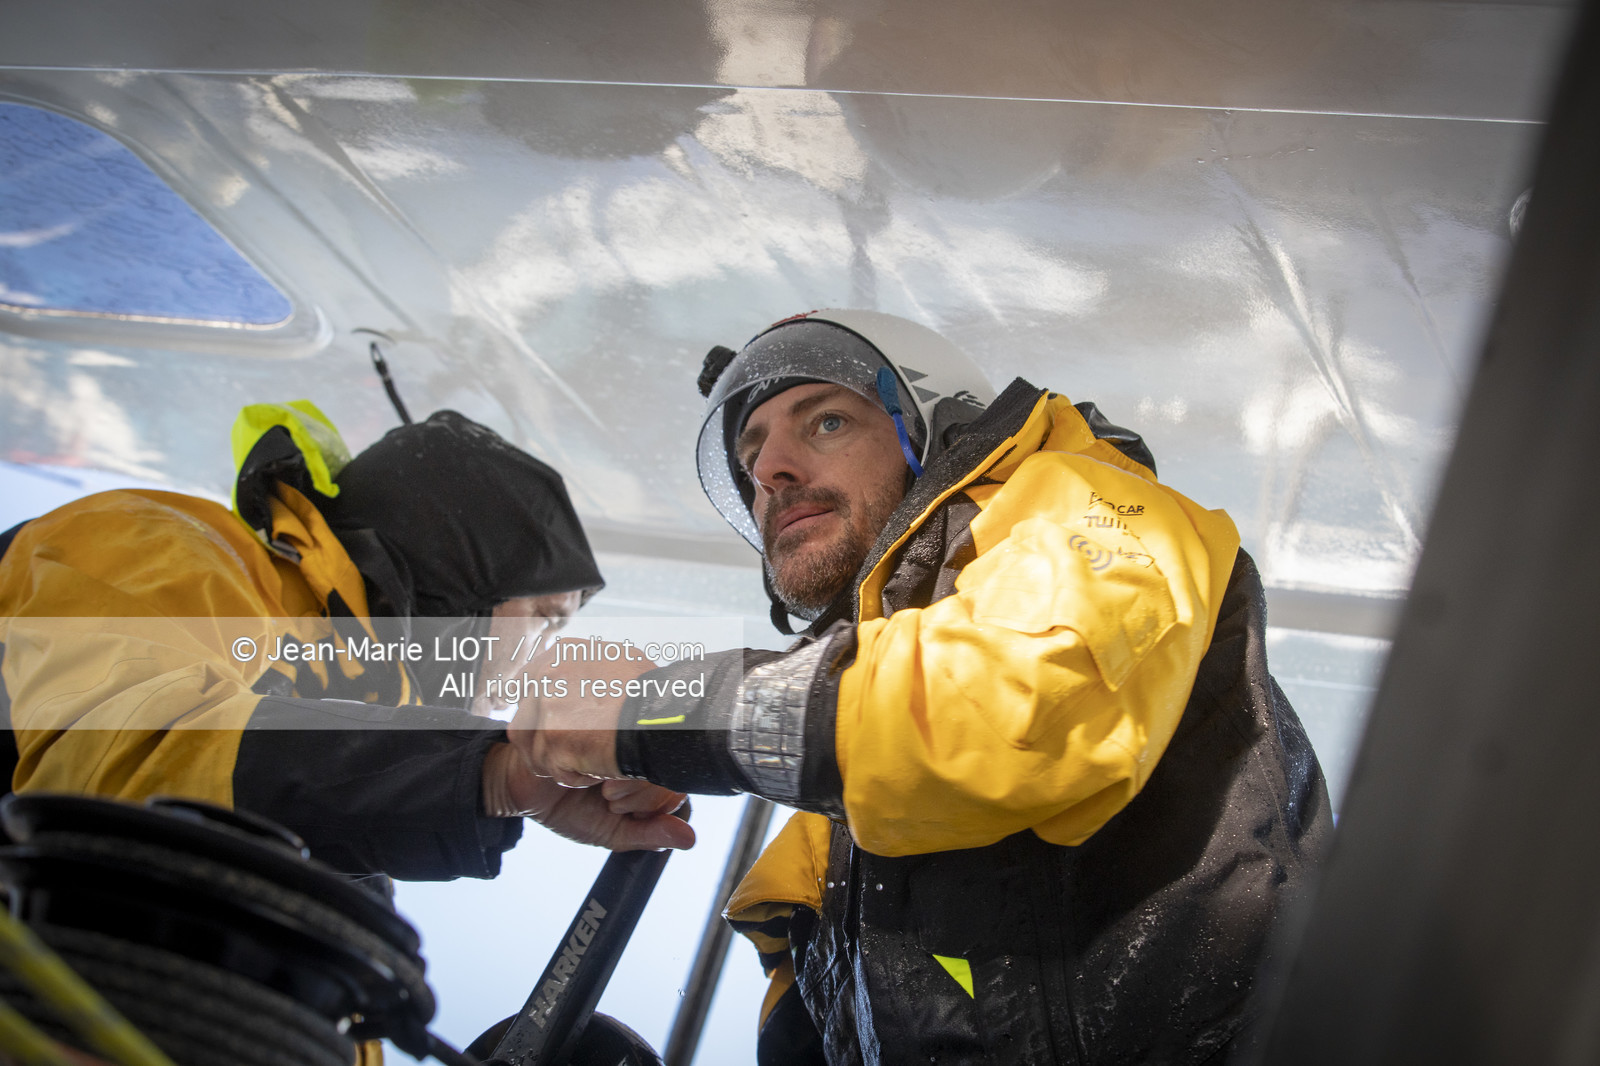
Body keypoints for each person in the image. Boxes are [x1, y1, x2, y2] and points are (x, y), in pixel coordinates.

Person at [509, 309, 1331, 1064]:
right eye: (751, 457)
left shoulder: (1093, 502)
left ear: (933, 431)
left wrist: (661, 711)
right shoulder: (828, 838)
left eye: (825, 421)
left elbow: (1001, 711)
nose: (773, 472)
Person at [0, 402, 692, 881]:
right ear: (457, 574)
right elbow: (121, 771)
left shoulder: (344, 757)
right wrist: (494, 773)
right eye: (545, 615)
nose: (537, 656)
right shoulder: (156, 539)